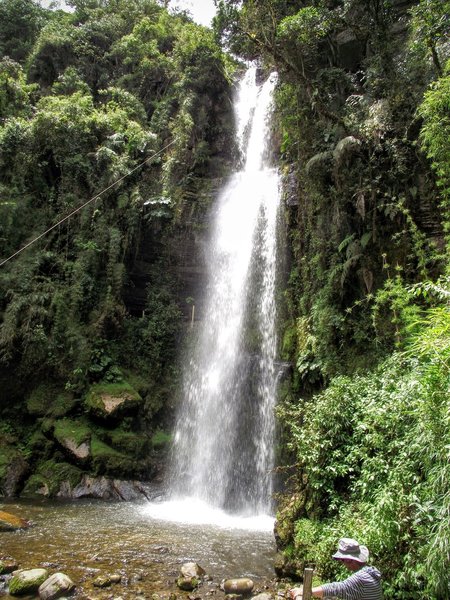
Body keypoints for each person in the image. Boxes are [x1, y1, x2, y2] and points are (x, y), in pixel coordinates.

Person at [289, 537, 382, 600]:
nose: (342, 563)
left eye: (342, 560)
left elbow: (337, 588)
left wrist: (306, 591)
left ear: (349, 560)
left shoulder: (361, 578)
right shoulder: (370, 573)